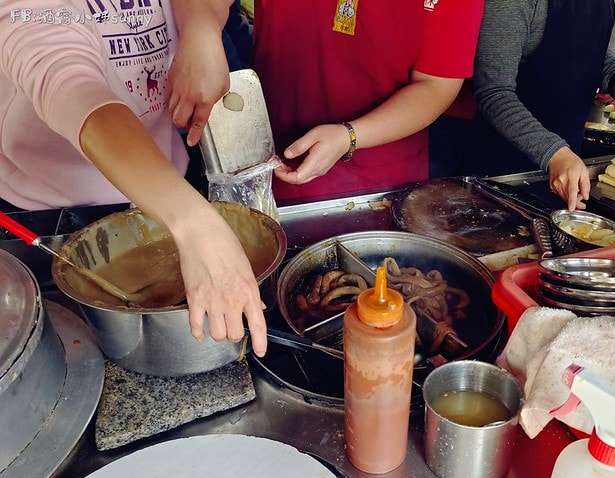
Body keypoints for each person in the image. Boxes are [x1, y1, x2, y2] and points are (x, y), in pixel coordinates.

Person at [0, 0, 268, 356]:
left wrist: (200, 27)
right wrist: (195, 224)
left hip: (166, 187)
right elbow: (67, 82)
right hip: (54, 212)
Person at [251, 1, 485, 204]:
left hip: (378, 174)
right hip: (269, 150)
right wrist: (211, 26)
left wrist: (350, 136)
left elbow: (436, 86)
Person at [470, 0, 615, 210]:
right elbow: (493, 93)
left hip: (569, 164)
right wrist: (554, 153)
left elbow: (591, 46)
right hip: (502, 176)